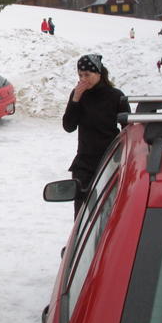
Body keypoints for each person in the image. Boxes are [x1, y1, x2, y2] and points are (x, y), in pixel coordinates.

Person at [62, 54, 130, 218]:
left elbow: (128, 128)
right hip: (84, 162)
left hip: (110, 159)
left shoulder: (115, 96)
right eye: (80, 75)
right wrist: (75, 100)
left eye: (87, 75)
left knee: (109, 210)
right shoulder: (78, 94)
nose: (83, 79)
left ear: (99, 73)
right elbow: (68, 126)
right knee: (82, 212)